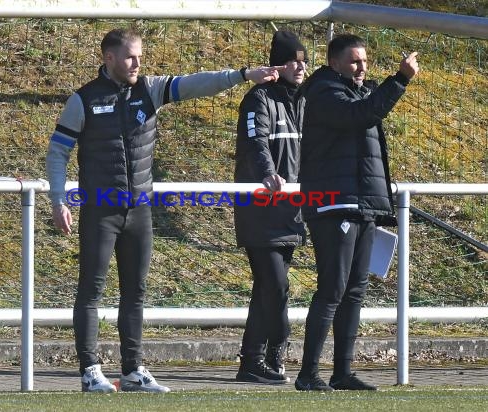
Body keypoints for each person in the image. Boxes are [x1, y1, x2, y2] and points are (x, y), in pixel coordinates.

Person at [45, 28, 283, 394]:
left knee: (135, 293)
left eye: (139, 55)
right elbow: (57, 152)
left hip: (139, 211)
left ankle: (132, 370)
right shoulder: (83, 100)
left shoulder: (150, 90)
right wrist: (59, 199)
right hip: (99, 211)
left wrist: (243, 75)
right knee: (90, 292)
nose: (137, 63)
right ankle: (90, 370)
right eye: (129, 57)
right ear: (108, 58)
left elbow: (194, 84)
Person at [294, 34, 419, 391]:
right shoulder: (323, 92)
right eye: (354, 61)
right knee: (332, 288)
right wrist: (399, 81)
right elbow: (358, 117)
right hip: (334, 204)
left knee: (355, 291)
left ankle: (342, 372)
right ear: (334, 63)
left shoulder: (360, 92)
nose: (362, 67)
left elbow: (367, 121)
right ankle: (308, 374)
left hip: (362, 203)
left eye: (364, 61)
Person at [233, 30, 308, 385]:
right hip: (261, 209)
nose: (301, 65)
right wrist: (268, 174)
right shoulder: (258, 99)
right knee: (275, 286)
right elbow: (255, 142)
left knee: (266, 287)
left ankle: (252, 361)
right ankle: (278, 346)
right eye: (295, 59)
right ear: (279, 62)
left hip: (292, 210)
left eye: (305, 59)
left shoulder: (305, 100)